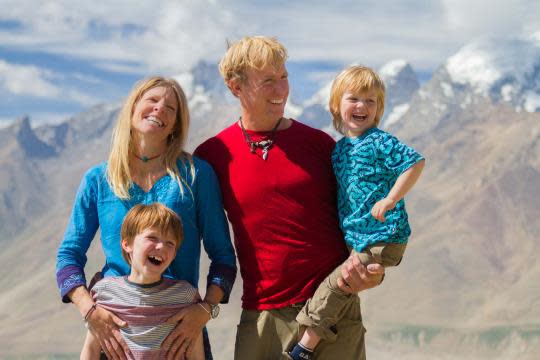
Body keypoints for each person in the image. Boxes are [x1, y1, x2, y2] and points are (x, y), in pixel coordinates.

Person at [194, 36, 384, 360]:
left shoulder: (320, 145)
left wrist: (373, 270)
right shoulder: (213, 156)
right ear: (235, 87)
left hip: (332, 314)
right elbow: (183, 227)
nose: (281, 89)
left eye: (283, 76)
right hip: (261, 317)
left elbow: (362, 220)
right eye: (268, 80)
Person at [56, 76, 236, 360]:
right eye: (152, 100)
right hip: (114, 335)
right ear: (132, 107)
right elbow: (68, 255)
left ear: (177, 124)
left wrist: (204, 310)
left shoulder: (196, 175)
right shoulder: (98, 180)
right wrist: (89, 310)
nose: (160, 109)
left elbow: (224, 257)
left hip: (181, 334)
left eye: (171, 108)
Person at [291, 65, 426, 359]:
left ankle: (304, 347)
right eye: (354, 98)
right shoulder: (339, 150)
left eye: (370, 101)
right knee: (343, 285)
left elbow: (415, 163)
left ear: (378, 110)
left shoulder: (380, 142)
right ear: (336, 106)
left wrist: (391, 198)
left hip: (384, 236)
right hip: (358, 241)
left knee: (336, 285)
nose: (362, 106)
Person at [81, 203, 205, 360]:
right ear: (127, 244)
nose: (161, 246)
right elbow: (91, 350)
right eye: (152, 237)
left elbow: (196, 354)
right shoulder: (105, 292)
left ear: (174, 255)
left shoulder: (185, 295)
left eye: (170, 243)